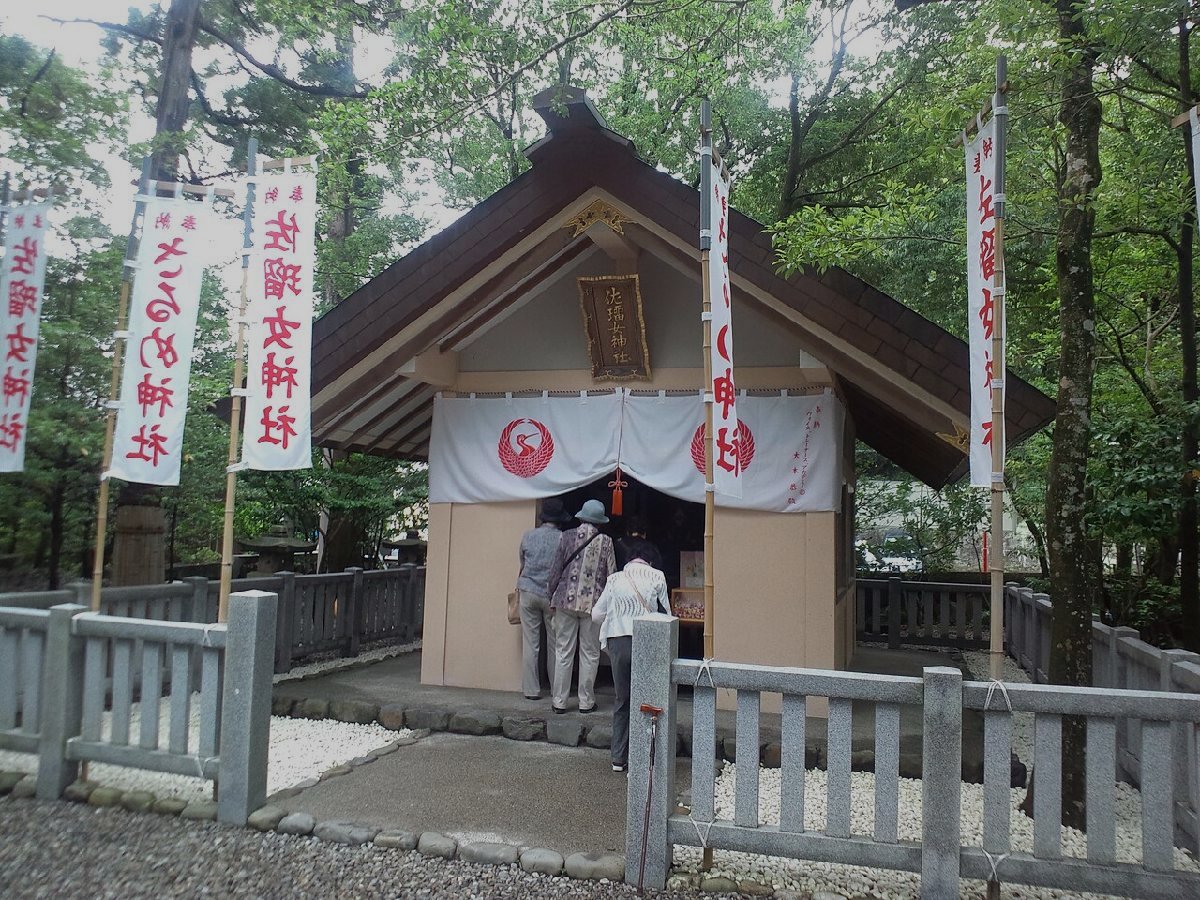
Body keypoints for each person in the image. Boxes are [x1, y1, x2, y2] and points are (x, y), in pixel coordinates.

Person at [591, 539, 670, 772]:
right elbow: (667, 614)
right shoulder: (657, 576)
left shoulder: (615, 579)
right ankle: (646, 755)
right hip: (647, 642)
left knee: (622, 699)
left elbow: (596, 614)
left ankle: (618, 758)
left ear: (630, 559)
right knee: (648, 699)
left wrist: (615, 618)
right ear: (650, 559)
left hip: (618, 642)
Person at [546, 499, 616, 714]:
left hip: (565, 600)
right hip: (592, 604)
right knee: (590, 653)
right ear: (599, 521)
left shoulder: (565, 536)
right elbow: (612, 576)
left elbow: (556, 569)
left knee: (563, 651)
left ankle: (559, 701)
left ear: (581, 517)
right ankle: (586, 702)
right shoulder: (606, 541)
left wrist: (551, 596)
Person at [516, 498, 572, 701]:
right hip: (551, 594)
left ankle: (531, 690)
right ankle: (557, 691)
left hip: (528, 591)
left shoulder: (528, 535)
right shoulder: (563, 539)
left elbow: (522, 562)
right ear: (559, 520)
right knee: (555, 643)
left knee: (531, 643)